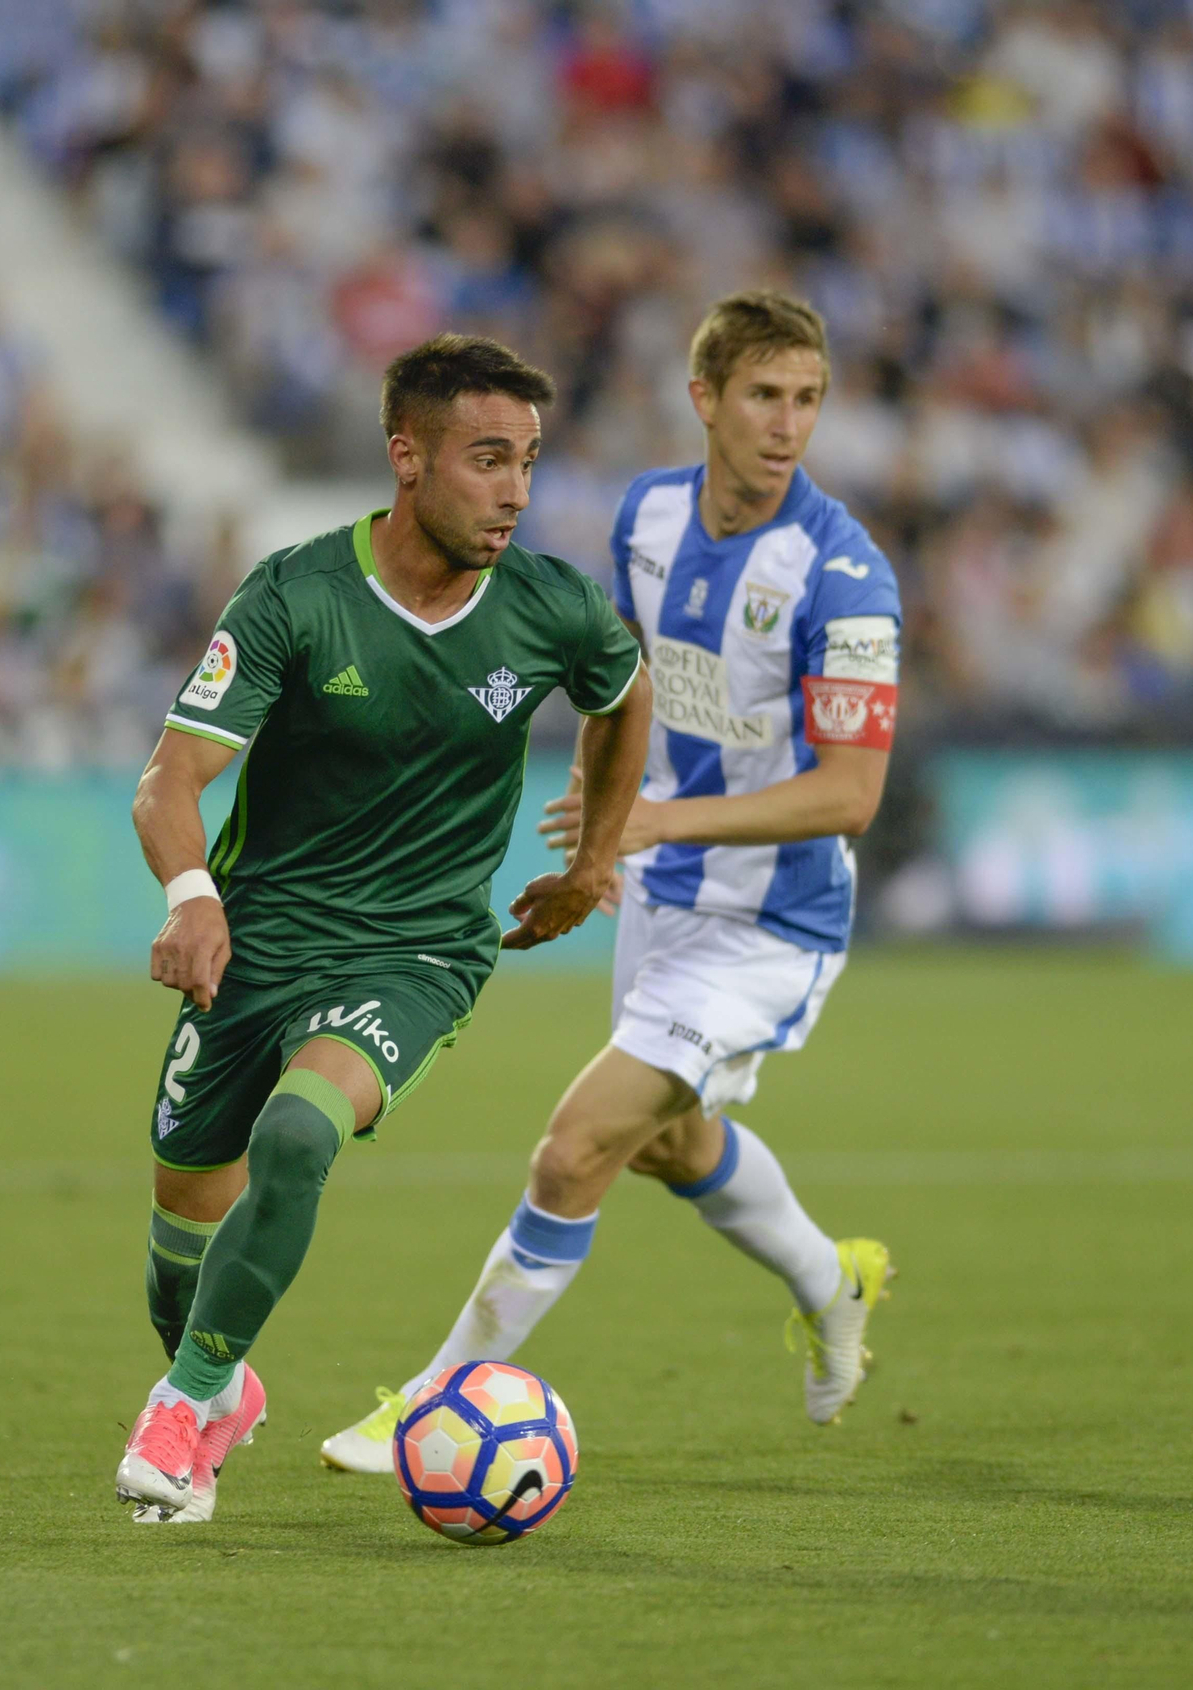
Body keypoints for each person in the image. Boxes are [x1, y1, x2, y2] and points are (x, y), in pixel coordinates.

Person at [321, 291, 900, 1474]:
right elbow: (615, 689)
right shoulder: (645, 518)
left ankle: (431, 1404)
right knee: (669, 1143)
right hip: (659, 888)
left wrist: (648, 818)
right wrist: (602, 833)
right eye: (762, 397)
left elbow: (850, 796)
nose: (787, 425)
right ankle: (833, 1278)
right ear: (705, 400)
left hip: (772, 916)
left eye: (807, 400)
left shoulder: (842, 577)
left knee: (573, 1148)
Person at [115, 333, 651, 1523]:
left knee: (298, 1136)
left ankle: (180, 1403)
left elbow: (625, 693)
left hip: (418, 951)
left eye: (527, 461)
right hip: (256, 943)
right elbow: (170, 779)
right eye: (485, 459)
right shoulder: (297, 595)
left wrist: (594, 858)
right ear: (406, 457)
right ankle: (218, 1382)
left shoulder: (550, 607)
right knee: (178, 1254)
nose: (514, 489)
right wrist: (192, 899)